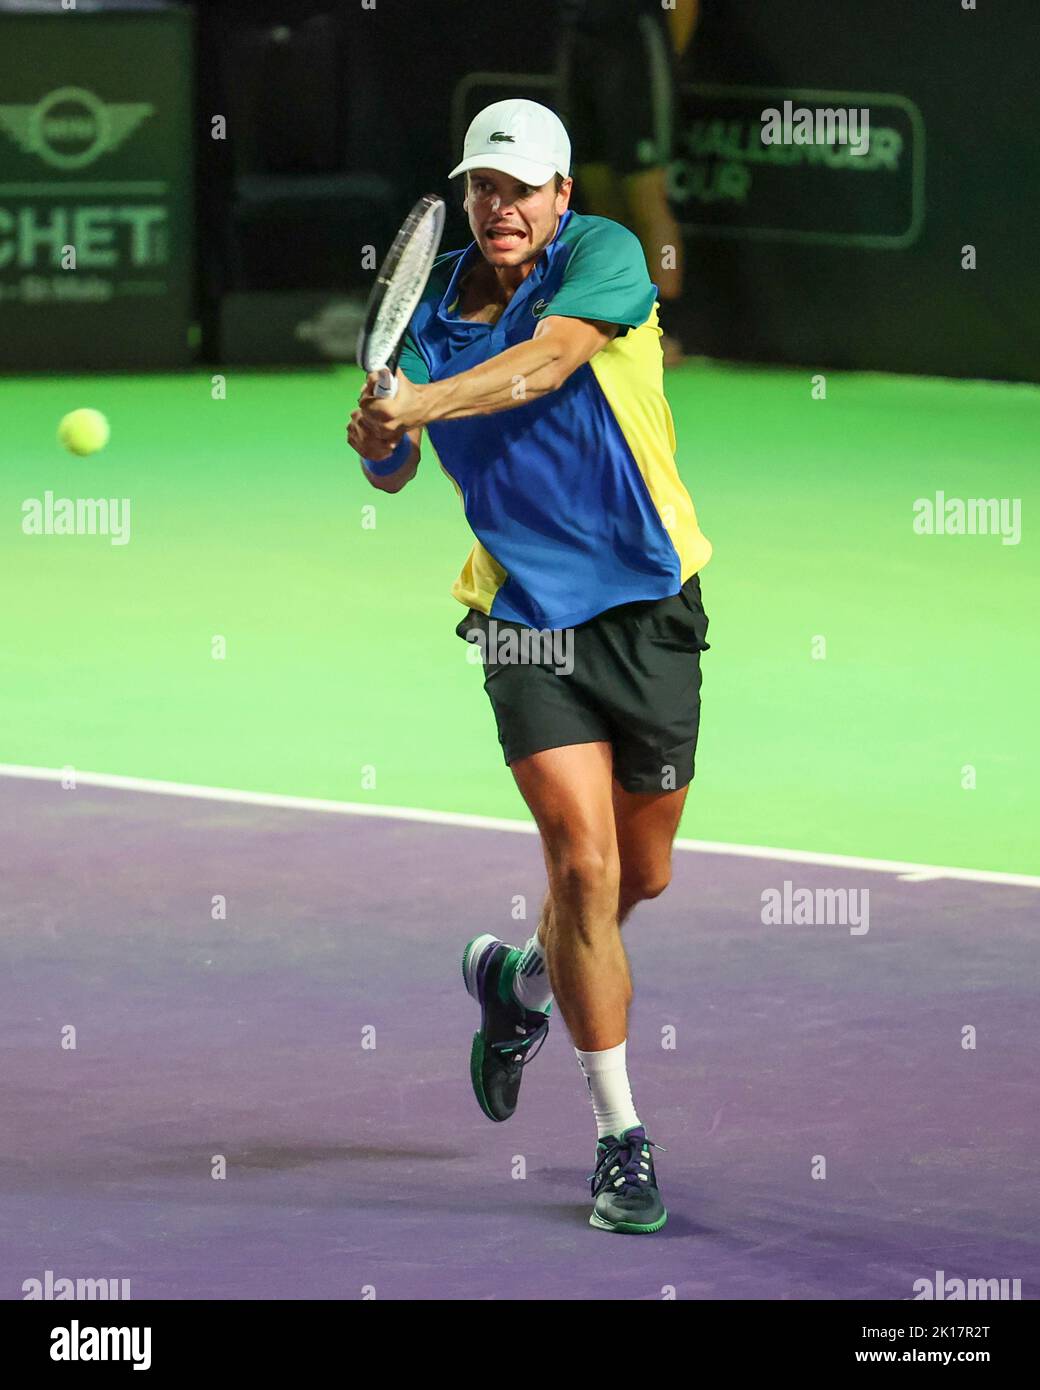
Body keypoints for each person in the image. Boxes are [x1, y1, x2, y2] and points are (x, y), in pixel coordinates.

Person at [347, 99, 711, 1235]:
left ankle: (520, 987)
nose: (500, 208)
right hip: (522, 622)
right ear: (465, 198)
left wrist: (419, 402)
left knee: (639, 877)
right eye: (482, 189)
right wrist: (382, 441)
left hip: (649, 604)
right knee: (586, 869)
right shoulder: (425, 315)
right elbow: (395, 474)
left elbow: (546, 367)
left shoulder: (599, 259)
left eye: (522, 189)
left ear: (561, 197)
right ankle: (620, 1140)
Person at [557, 0, 701, 365]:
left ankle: (662, 330)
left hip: (635, 45)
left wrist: (667, 58)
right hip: (581, 42)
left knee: (647, 199)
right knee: (602, 200)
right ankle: (615, 322)